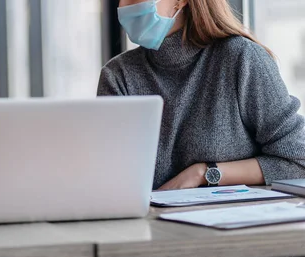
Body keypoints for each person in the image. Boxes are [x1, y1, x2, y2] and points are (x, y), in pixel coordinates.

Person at [98, 0, 305, 190]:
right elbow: (106, 178)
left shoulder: (242, 59)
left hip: (232, 225)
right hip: (149, 228)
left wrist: (203, 173)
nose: (124, 5)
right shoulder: (118, 75)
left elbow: (297, 160)